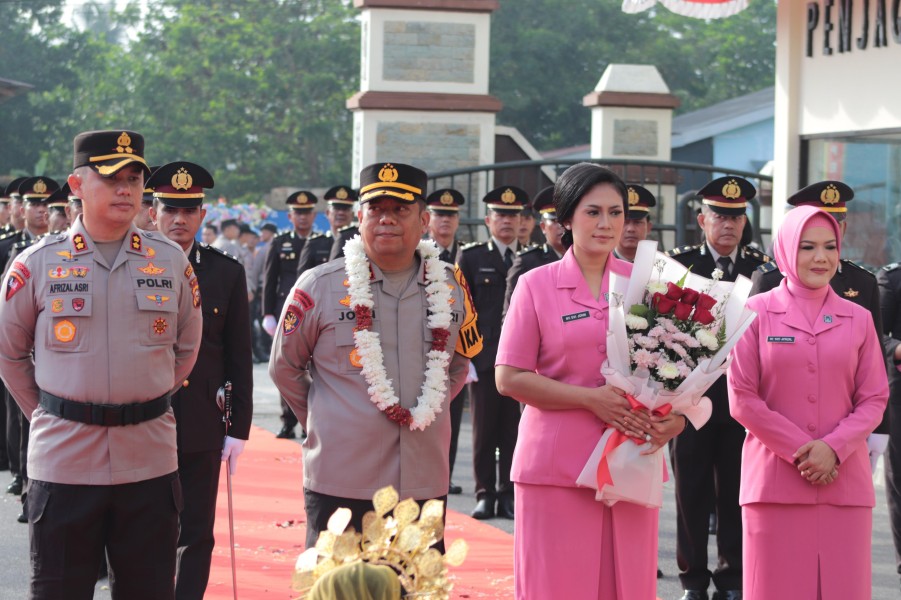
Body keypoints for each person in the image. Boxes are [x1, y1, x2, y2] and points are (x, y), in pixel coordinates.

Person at [0, 130, 202, 599]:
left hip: (148, 462)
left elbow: (186, 350)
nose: (126, 189)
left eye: (134, 178)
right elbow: (10, 355)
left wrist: (139, 399)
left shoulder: (171, 263)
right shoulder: (38, 265)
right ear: (76, 184)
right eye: (112, 179)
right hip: (65, 464)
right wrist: (55, 413)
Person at [495, 163, 686, 599]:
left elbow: (682, 368)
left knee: (627, 586)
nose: (607, 224)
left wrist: (676, 420)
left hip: (631, 463)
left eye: (616, 213)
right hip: (555, 467)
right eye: (593, 212)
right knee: (557, 587)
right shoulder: (535, 285)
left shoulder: (650, 285)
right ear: (566, 218)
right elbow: (508, 377)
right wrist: (589, 400)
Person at [269, 161, 481, 550]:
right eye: (376, 209)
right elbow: (284, 367)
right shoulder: (320, 285)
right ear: (361, 217)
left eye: (400, 210)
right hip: (342, 476)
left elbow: (457, 364)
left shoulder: (451, 286)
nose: (387, 220)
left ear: (424, 220)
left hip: (422, 478)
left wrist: (427, 415)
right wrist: (328, 419)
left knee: (417, 588)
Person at [728, 205, 887, 599]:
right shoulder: (755, 312)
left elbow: (874, 397)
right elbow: (742, 398)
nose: (821, 257)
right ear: (784, 250)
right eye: (807, 246)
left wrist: (832, 448)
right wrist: (804, 451)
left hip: (844, 486)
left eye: (830, 246)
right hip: (773, 487)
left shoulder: (858, 317)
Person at [148, 161, 253, 600]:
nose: (179, 219)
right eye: (170, 209)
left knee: (196, 532)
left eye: (189, 210)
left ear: (203, 214)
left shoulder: (225, 273)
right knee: (144, 531)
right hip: (142, 421)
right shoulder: (134, 264)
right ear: (153, 211)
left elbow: (238, 356)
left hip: (201, 423)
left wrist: (239, 429)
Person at [666, 176, 771, 600]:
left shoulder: (761, 270)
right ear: (701, 219)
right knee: (690, 492)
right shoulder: (679, 265)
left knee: (735, 492)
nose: (728, 224)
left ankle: (732, 578)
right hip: (690, 400)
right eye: (719, 215)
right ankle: (693, 579)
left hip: (742, 401)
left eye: (736, 216)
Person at [750, 181, 889, 454]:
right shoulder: (768, 281)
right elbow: (747, 384)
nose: (820, 256)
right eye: (807, 242)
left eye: (834, 224)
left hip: (848, 442)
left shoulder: (863, 281)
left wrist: (879, 428)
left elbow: (875, 370)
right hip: (776, 446)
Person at [458, 185, 528, 520]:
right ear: (488, 220)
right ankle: (484, 492)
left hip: (521, 360)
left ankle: (508, 492)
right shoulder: (472, 257)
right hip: (484, 357)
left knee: (514, 430)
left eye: (513, 215)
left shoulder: (531, 258)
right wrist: (467, 356)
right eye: (500, 215)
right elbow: (462, 308)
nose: (507, 222)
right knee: (484, 430)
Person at [262, 189, 317, 439]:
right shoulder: (280, 241)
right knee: (286, 367)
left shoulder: (323, 241)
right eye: (298, 213)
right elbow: (269, 279)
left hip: (315, 313)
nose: (302, 218)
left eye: (306, 213)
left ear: (314, 215)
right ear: (290, 216)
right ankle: (287, 421)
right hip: (286, 313)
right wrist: (267, 314)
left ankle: (311, 420)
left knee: (314, 369)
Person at [425, 187, 466, 495]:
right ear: (428, 219)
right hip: (423, 348)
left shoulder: (465, 255)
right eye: (440, 214)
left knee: (450, 418)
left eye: (451, 215)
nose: (446, 221)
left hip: (456, 352)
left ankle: (444, 475)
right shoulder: (417, 253)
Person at [503, 186, 564, 315]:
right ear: (543, 227)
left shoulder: (584, 260)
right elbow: (513, 314)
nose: (560, 227)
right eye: (554, 221)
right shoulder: (528, 261)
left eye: (565, 221)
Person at [295, 185, 358, 277]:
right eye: (336, 208)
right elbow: (302, 280)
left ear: (352, 215)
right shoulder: (314, 244)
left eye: (345, 209)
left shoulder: (359, 244)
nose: (341, 213)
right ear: (327, 213)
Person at [614, 183, 656, 261]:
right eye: (625, 222)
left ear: (649, 227)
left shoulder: (660, 267)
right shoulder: (598, 264)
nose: (630, 229)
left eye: (637, 222)